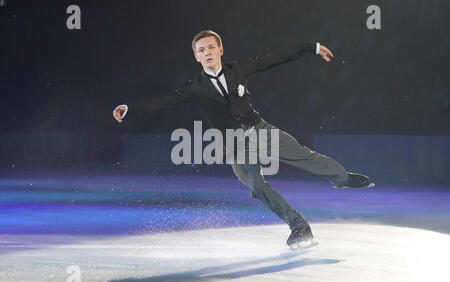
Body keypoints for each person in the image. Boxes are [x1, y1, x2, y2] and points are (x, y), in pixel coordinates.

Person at [113, 30, 374, 247]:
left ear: (220, 50)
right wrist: (131, 108)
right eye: (201, 50)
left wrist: (311, 47)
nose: (207, 53)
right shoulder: (194, 88)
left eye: (211, 48)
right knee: (256, 187)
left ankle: (341, 178)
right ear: (196, 56)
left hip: (259, 129)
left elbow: (275, 58)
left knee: (303, 155)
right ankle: (299, 227)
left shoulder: (238, 69)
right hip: (234, 145)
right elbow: (165, 102)